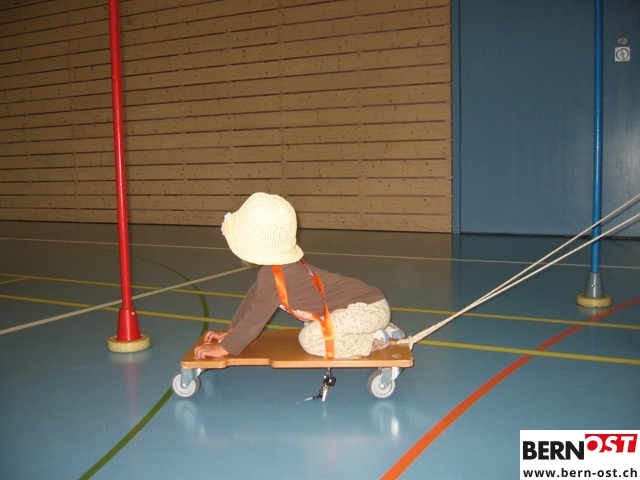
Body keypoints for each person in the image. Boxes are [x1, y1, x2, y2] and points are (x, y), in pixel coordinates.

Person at [194, 192, 404, 360]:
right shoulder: (275, 271)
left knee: (311, 339)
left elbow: (255, 319)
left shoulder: (274, 277)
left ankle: (376, 338)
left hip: (366, 310)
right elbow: (253, 297)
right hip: (368, 307)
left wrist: (226, 347)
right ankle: (382, 327)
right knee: (312, 326)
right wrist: (232, 330)